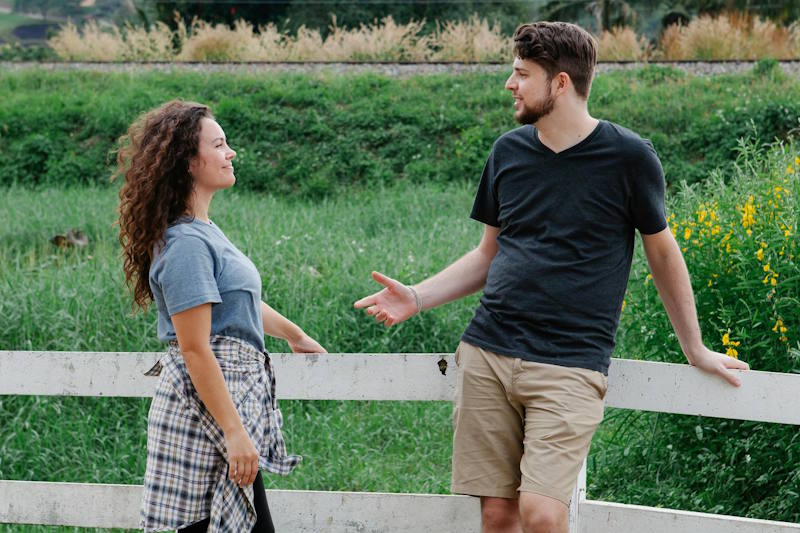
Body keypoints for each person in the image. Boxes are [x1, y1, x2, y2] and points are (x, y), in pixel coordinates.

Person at [354, 21, 749, 533]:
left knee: (542, 514)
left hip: (569, 364)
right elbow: (487, 256)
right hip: (489, 352)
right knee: (496, 516)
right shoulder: (508, 152)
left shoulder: (630, 158)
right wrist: (417, 296)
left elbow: (663, 255)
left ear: (560, 83)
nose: (509, 84)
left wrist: (693, 348)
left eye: (521, 73)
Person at [115, 100, 326, 532]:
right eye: (220, 144)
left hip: (227, 406)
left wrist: (294, 333)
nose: (231, 153)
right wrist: (234, 433)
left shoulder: (205, 232)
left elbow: (237, 302)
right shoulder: (187, 244)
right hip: (205, 414)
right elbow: (194, 348)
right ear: (189, 162)